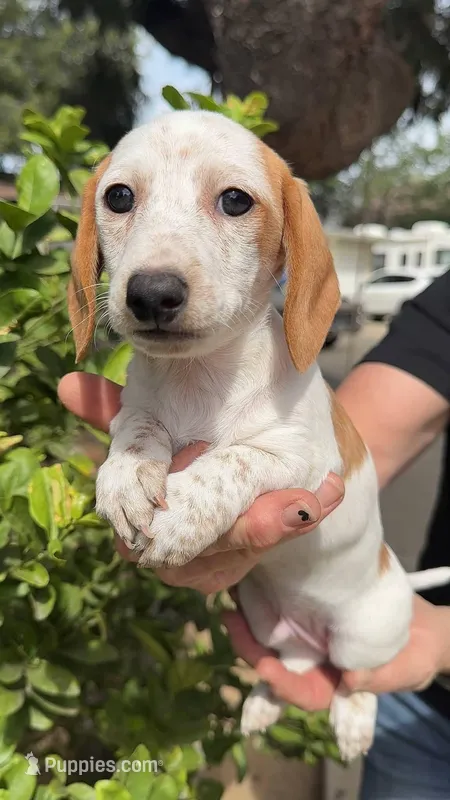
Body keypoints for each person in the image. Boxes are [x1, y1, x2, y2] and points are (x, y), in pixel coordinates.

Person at [58, 268, 450, 799]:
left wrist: (439, 640)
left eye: (234, 202)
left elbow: (300, 454)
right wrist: (142, 439)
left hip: (397, 633)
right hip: (397, 690)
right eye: (121, 201)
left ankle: (354, 692)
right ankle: (295, 661)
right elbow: (347, 452)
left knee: (363, 647)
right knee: (266, 625)